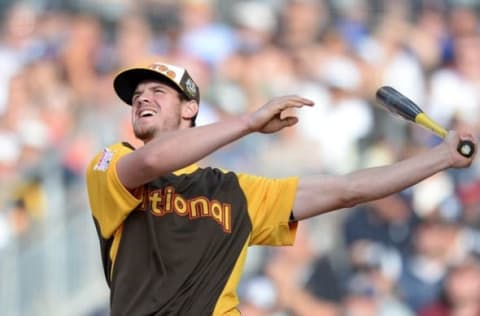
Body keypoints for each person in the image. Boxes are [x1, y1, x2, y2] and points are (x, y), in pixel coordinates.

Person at [85, 61, 477, 316]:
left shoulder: (234, 191)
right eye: (136, 96)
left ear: (190, 108)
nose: (141, 99)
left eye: (157, 91)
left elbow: (349, 189)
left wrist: (443, 158)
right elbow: (153, 161)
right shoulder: (110, 164)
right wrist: (250, 122)